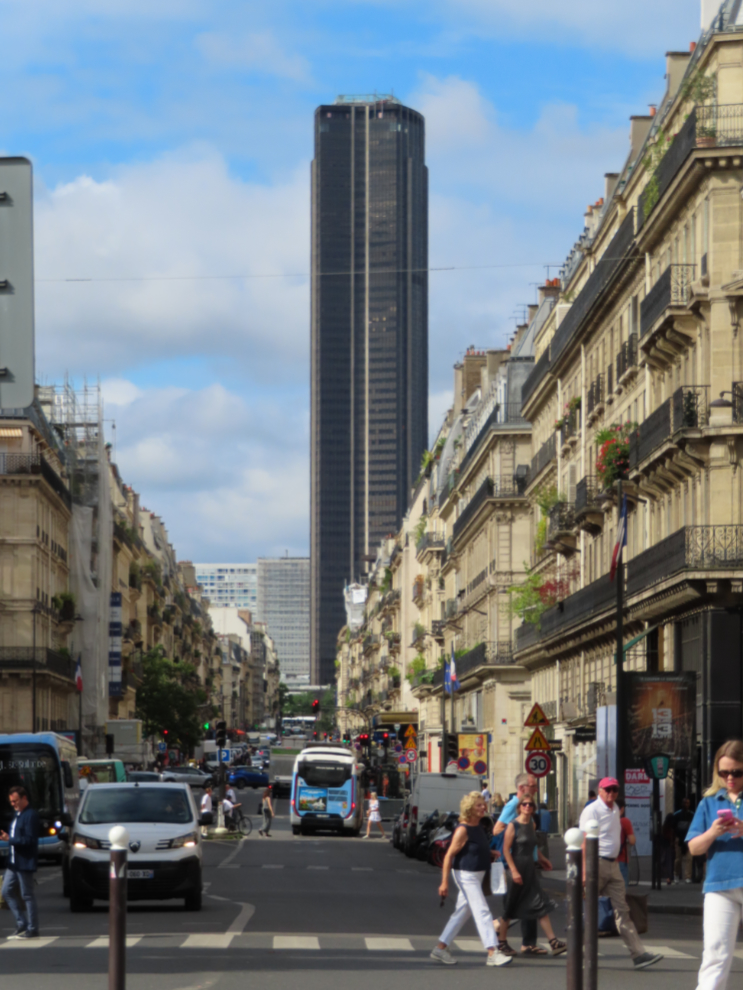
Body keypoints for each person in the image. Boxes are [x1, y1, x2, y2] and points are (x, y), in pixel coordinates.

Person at [580, 778, 663, 970]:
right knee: (590, 910)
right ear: (599, 790)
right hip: (596, 862)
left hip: (613, 864)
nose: (611, 793)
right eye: (608, 789)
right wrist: (584, 870)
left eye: (615, 789)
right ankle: (581, 954)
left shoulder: (615, 807)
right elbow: (584, 841)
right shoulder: (591, 810)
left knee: (622, 910)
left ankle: (638, 954)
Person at [431, 791, 511, 967]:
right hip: (466, 875)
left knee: (462, 912)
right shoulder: (462, 829)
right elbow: (448, 856)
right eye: (479, 805)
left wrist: (490, 853)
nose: (483, 807)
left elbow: (474, 848)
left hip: (478, 874)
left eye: (484, 804)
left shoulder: (479, 827)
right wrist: (444, 882)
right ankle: (492, 952)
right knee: (482, 910)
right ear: (469, 809)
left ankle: (440, 948)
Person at [687, 739, 743, 990]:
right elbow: (693, 848)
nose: (729, 778)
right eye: (724, 773)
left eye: (737, 772)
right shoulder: (708, 802)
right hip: (719, 886)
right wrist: (712, 832)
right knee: (715, 956)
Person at [498, 795, 565, 956]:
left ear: (534, 808)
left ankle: (553, 942)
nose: (527, 807)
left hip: (529, 868)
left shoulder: (532, 824)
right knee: (510, 907)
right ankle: (501, 942)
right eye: (524, 804)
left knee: (539, 903)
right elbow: (506, 850)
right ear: (519, 807)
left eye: (530, 805)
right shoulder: (512, 825)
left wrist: (542, 859)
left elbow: (533, 846)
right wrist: (513, 871)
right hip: (516, 868)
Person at [492, 773, 542, 954]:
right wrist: (515, 825)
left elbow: (527, 838)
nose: (536, 789)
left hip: (527, 861)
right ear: (522, 788)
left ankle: (528, 943)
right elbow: (497, 829)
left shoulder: (525, 807)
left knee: (531, 902)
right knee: (518, 903)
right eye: (533, 786)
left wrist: (541, 858)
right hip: (514, 863)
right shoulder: (514, 805)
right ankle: (499, 930)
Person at [0, 786, 40, 939]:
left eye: (15, 801)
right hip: (14, 862)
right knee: (6, 891)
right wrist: (7, 836)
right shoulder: (18, 814)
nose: (13, 804)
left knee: (27, 895)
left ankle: (33, 928)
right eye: (11, 801)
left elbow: (30, 840)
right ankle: (22, 923)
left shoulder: (30, 815)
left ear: (24, 798)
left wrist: (10, 839)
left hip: (24, 861)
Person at [674, 797, 695, 884]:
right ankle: (676, 875)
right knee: (678, 859)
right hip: (679, 838)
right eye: (684, 803)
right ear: (682, 804)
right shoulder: (677, 815)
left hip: (689, 838)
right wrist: (675, 838)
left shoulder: (692, 815)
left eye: (687, 803)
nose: (686, 805)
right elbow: (674, 828)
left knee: (689, 859)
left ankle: (687, 876)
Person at [616, 798, 636, 886]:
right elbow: (632, 841)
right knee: (622, 890)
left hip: (605, 860)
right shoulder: (624, 821)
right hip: (621, 860)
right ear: (622, 809)